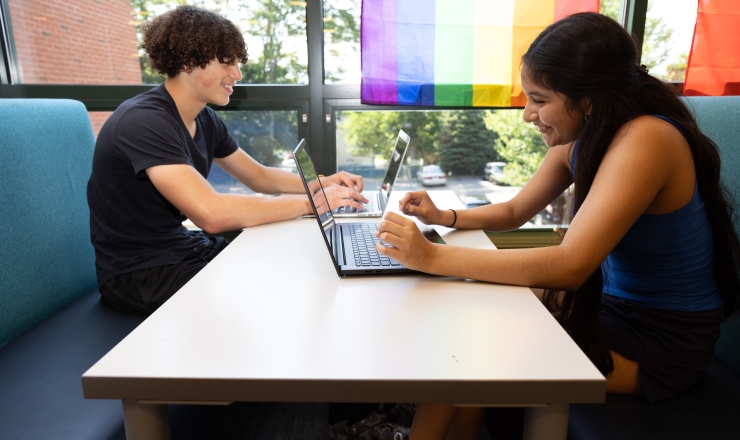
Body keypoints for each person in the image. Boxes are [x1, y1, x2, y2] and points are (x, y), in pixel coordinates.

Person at [376, 12, 740, 440]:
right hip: (612, 309)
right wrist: (444, 217)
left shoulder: (646, 139)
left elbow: (571, 267)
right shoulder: (587, 137)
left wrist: (433, 256)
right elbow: (514, 212)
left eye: (540, 99)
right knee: (470, 308)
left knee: (472, 341)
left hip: (661, 343)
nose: (528, 114)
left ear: (588, 100)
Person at [87, 5, 367, 316]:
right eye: (227, 63)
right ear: (188, 62)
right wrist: (312, 204)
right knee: (269, 293)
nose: (237, 73)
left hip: (179, 248)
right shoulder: (143, 122)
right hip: (137, 272)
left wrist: (320, 183)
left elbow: (259, 176)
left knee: (283, 261)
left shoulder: (204, 118)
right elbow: (211, 214)